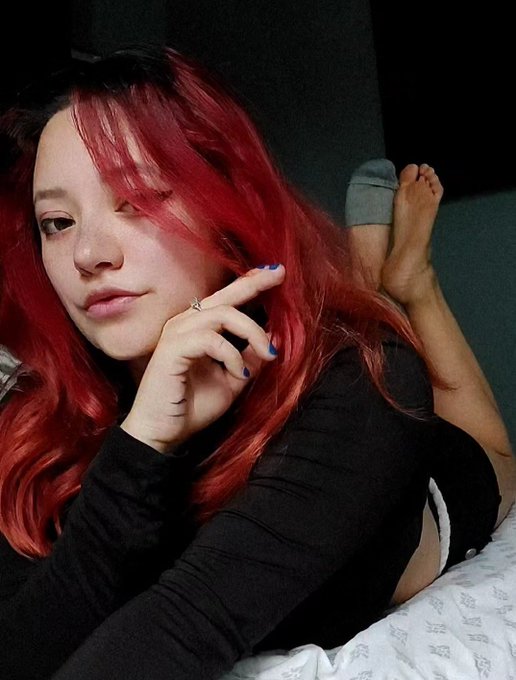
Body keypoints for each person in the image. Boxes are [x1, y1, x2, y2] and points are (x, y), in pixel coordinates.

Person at [0, 45, 512, 680]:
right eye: (56, 222)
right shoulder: (33, 417)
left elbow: (187, 622)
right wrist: (141, 443)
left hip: (431, 486)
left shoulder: (358, 380)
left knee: (495, 455)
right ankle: (379, 282)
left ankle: (412, 282)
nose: (88, 254)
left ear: (224, 203)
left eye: (137, 200)